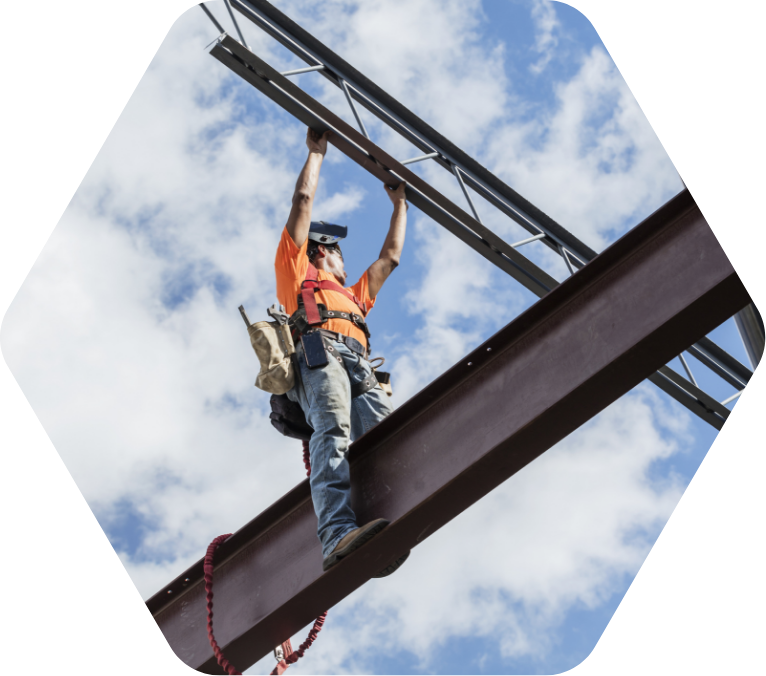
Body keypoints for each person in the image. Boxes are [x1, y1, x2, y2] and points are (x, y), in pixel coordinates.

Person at [274, 127, 409, 577]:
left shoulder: (354, 296)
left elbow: (389, 258)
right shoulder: (296, 271)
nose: (344, 259)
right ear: (322, 251)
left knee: (390, 437)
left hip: (358, 364)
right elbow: (303, 204)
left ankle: (398, 513)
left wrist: (400, 206)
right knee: (331, 430)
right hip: (320, 353)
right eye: (337, 251)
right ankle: (336, 534)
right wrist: (315, 154)